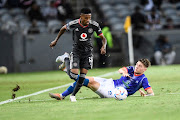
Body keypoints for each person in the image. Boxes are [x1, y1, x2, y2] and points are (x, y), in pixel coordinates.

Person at [49, 8, 107, 102]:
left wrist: (104, 46)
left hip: (88, 53)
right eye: (85, 18)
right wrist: (56, 40)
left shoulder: (94, 25)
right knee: (74, 76)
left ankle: (73, 95)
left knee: (82, 77)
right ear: (81, 16)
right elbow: (63, 28)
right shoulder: (74, 24)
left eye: (89, 18)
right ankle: (66, 59)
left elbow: (103, 38)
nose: (88, 20)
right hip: (76, 52)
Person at [49, 58, 154, 100]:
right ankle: (62, 93)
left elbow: (151, 93)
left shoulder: (143, 79)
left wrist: (146, 95)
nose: (137, 66)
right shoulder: (131, 69)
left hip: (112, 92)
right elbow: (121, 70)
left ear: (144, 69)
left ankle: (62, 94)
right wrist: (125, 72)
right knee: (84, 78)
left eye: (140, 66)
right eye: (137, 64)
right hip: (110, 82)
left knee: (89, 82)